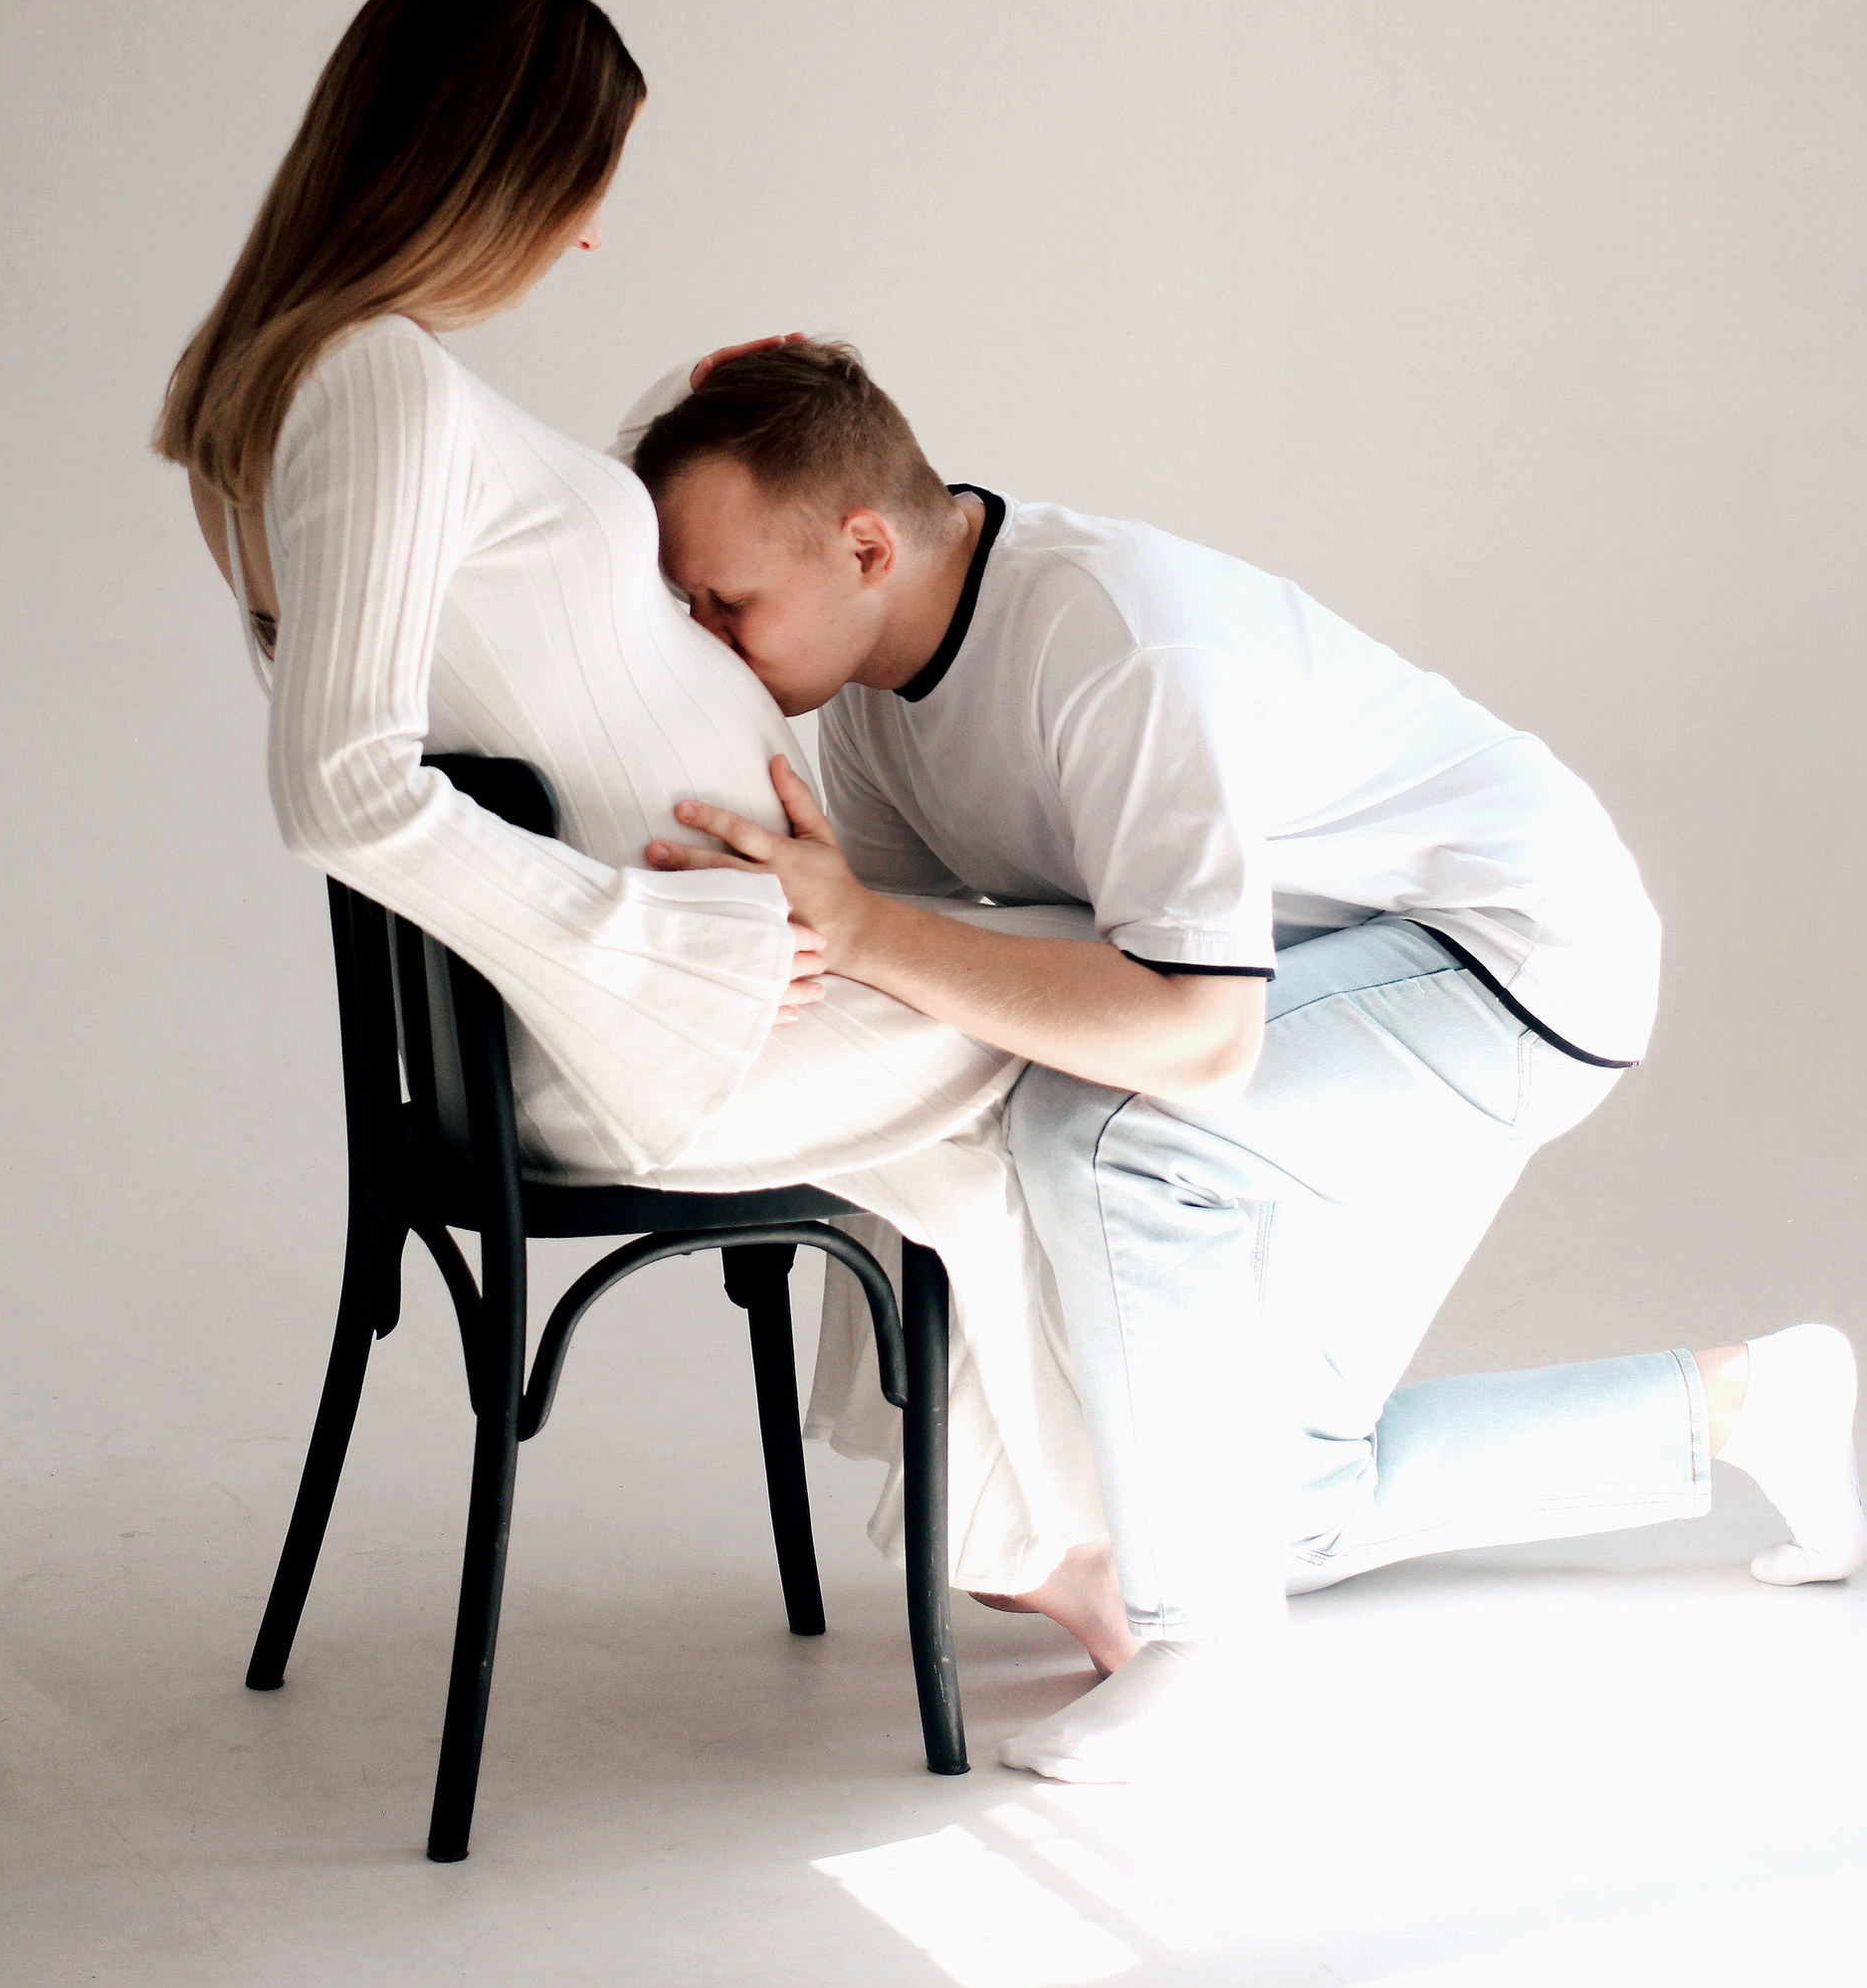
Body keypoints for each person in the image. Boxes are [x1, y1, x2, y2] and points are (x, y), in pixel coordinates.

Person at [627, 336, 1867, 1783]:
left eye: (727, 600)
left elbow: (1198, 1036)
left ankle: (1207, 1647)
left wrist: (862, 932)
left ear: (863, 547)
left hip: (1511, 957)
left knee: (1103, 1129)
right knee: (1275, 1512)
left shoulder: (1115, 647)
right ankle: (1759, 1401)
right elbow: (949, 963)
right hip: (1328, 971)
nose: (703, 636)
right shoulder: (861, 690)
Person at [153, 0, 1112, 1619]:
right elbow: (343, 787)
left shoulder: (340, 390)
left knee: (999, 1090)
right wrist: (674, 948)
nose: (592, 231)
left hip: (650, 1023)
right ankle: (1162, 1529)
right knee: (1123, 983)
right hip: (651, 1038)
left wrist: (693, 416)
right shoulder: (376, 379)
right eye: (584, 179)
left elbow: (526, 633)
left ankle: (1056, 1549)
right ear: (489, 163)